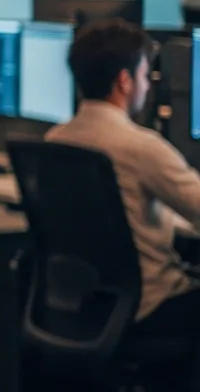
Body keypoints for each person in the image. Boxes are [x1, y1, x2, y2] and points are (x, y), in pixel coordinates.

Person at [46, 20, 200, 336]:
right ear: (125, 81)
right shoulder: (141, 147)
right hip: (150, 308)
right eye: (145, 76)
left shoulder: (55, 140)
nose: (148, 86)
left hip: (87, 308)